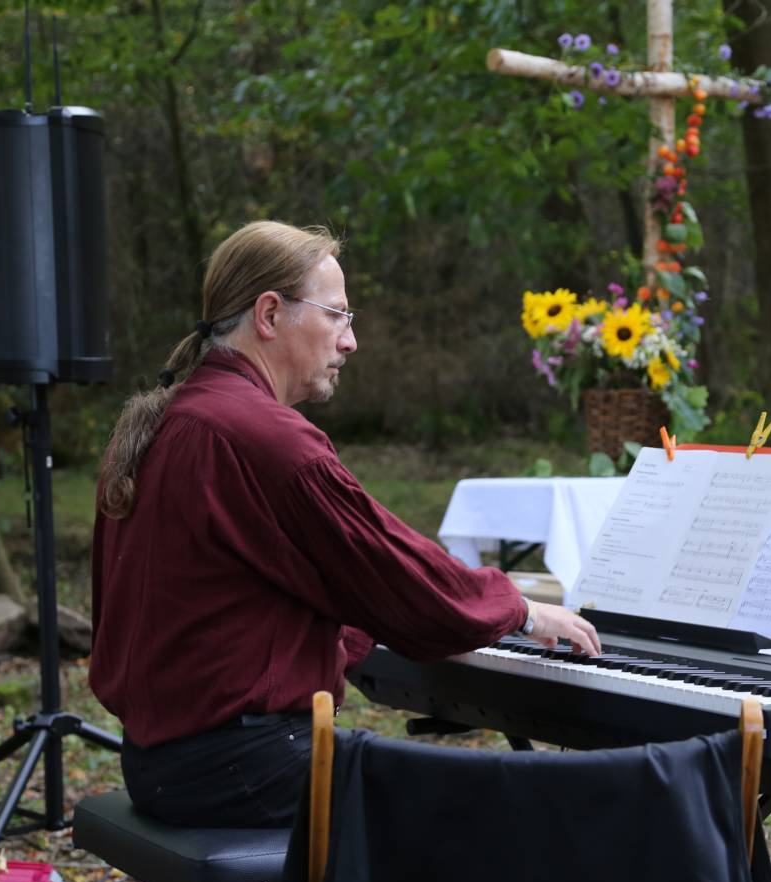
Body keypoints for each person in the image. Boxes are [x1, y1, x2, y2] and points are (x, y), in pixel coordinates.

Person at [90, 221, 600, 828]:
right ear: (270, 314)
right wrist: (523, 609)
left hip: (163, 763)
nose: (351, 341)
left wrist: (367, 633)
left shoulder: (177, 419)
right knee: (515, 811)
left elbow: (276, 588)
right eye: (337, 316)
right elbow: (393, 569)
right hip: (244, 767)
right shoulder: (261, 436)